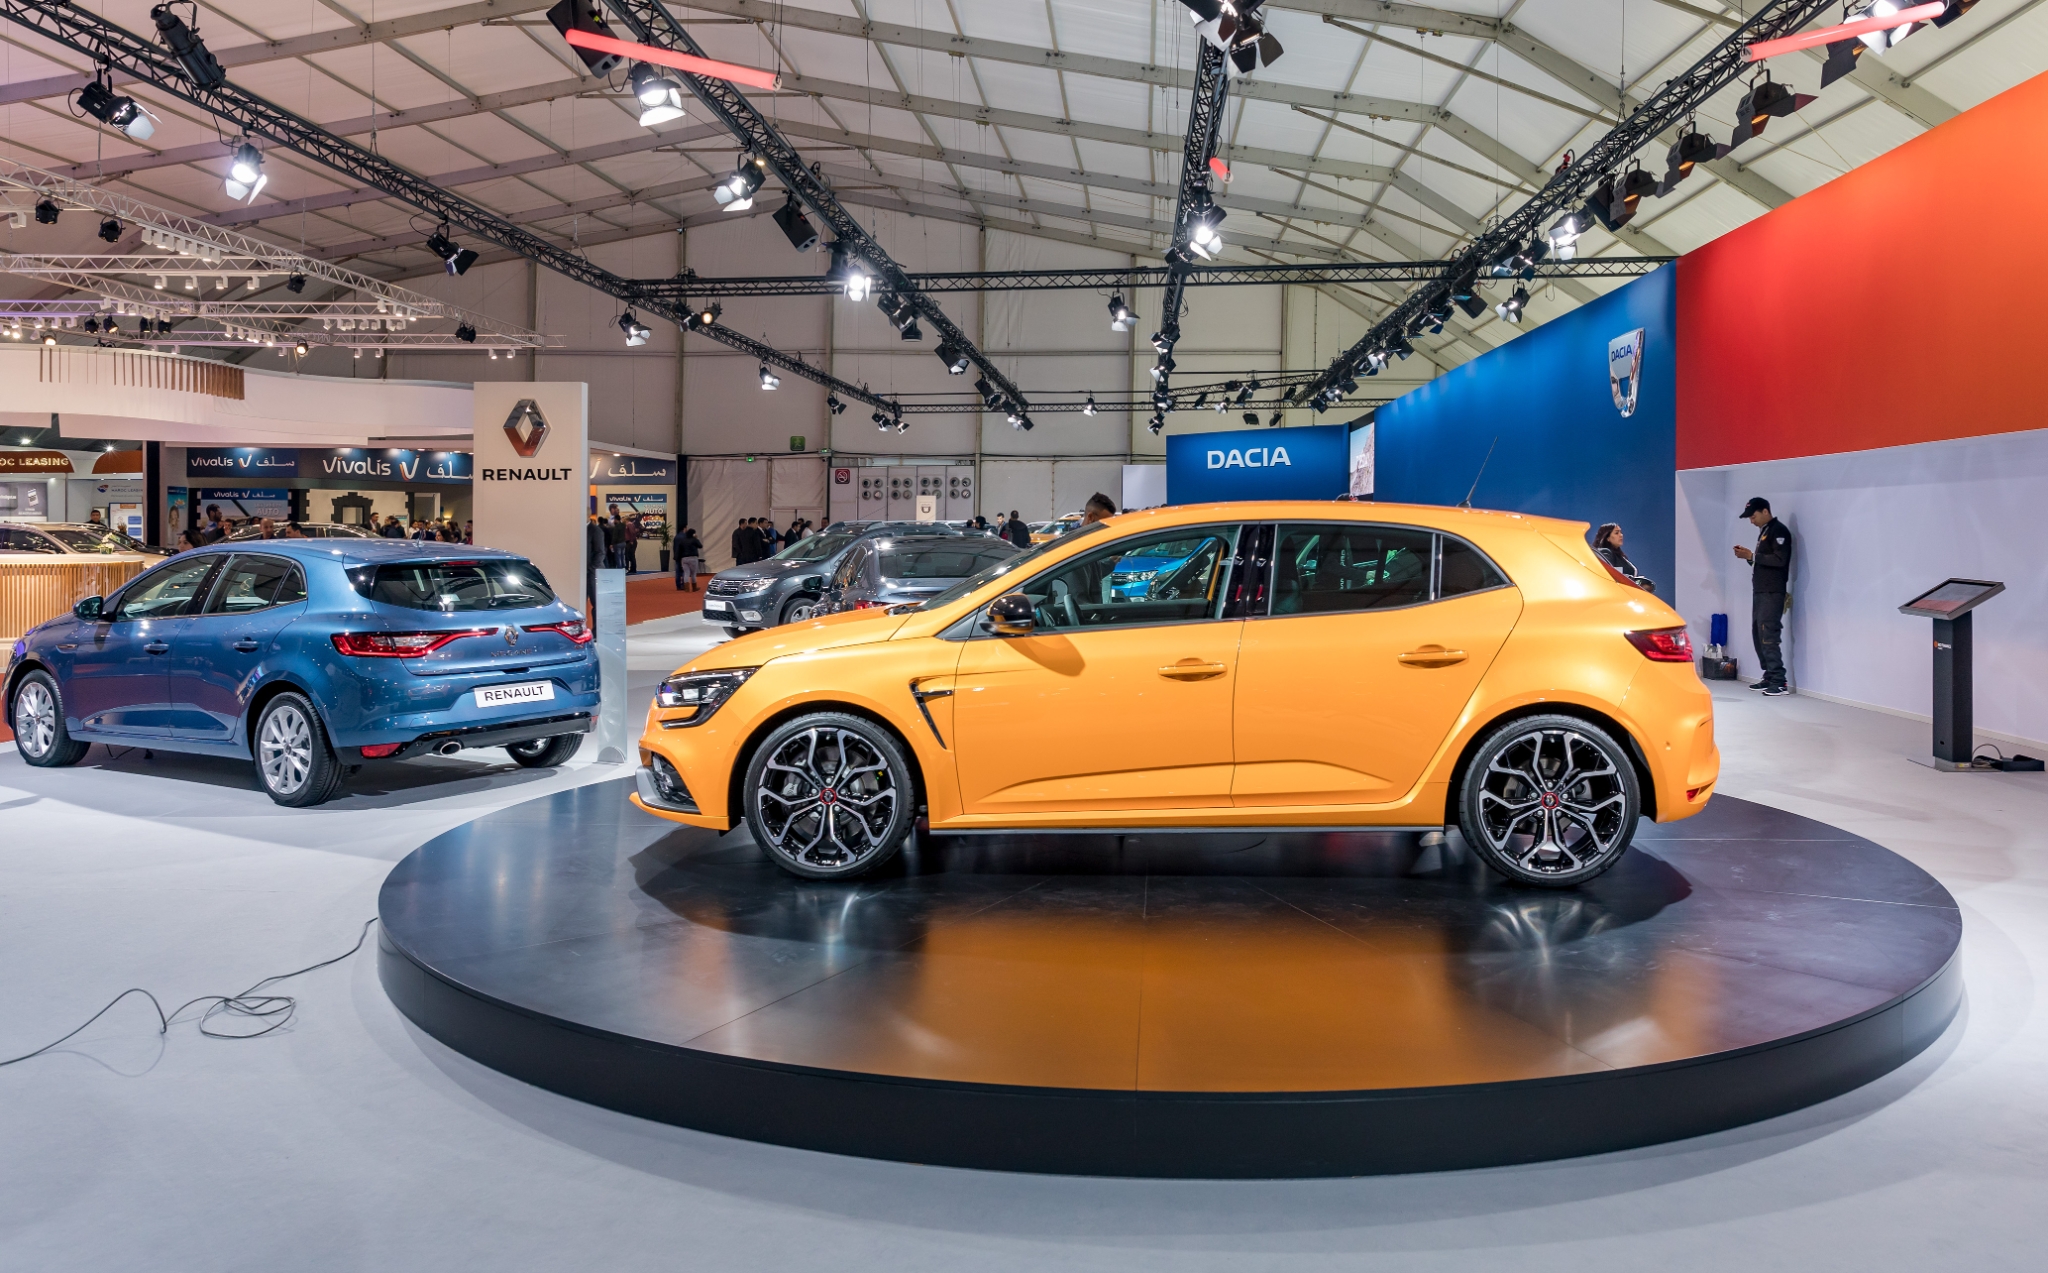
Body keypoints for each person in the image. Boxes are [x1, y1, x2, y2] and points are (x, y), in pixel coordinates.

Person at [1734, 496, 1793, 696]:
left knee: (1768, 634)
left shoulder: (1779, 531)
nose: (1751, 521)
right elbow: (1765, 563)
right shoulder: (1765, 531)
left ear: (1765, 511)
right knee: (1758, 633)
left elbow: (1780, 560)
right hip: (1761, 591)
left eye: (1753, 516)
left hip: (1772, 592)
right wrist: (1749, 558)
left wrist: (1752, 556)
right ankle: (1769, 676)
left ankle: (1779, 681)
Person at [1592, 523, 1655, 593]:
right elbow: (1606, 571)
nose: (1621, 535)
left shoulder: (1618, 555)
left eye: (1620, 532)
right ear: (1607, 538)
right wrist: (1632, 580)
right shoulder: (1605, 552)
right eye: (1616, 533)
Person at [674, 526, 703, 591]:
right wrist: (696, 538)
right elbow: (700, 546)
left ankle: (686, 588)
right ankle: (694, 587)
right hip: (693, 558)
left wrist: (677, 558)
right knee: (693, 574)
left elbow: (679, 550)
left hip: (684, 558)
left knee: (686, 573)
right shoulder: (694, 540)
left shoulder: (682, 540)